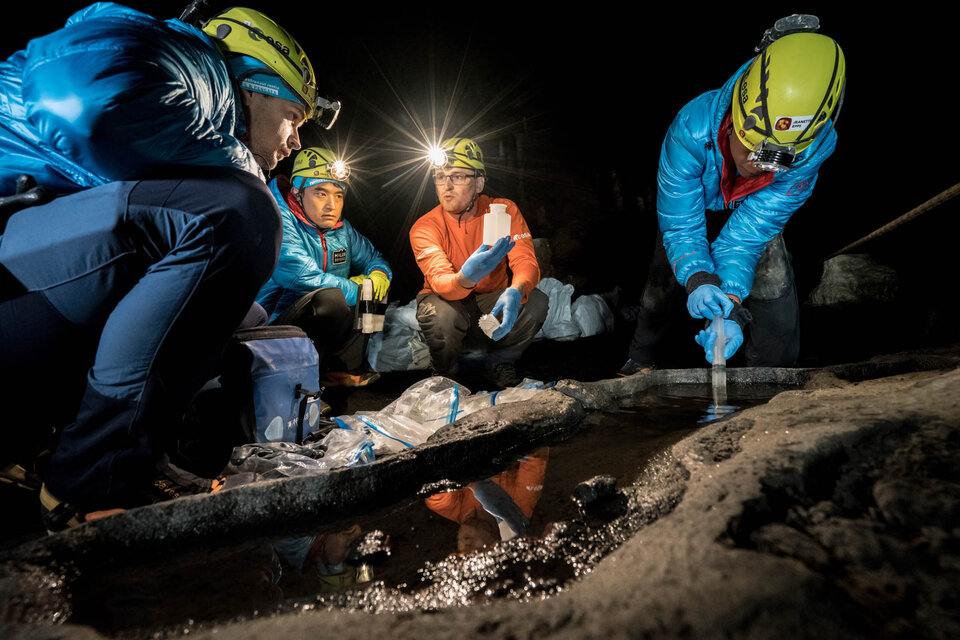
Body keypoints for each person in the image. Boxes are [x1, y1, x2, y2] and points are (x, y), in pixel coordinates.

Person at [0, 5, 336, 529]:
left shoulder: (190, 122)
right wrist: (242, 163)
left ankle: (55, 445)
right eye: (293, 117)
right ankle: (92, 481)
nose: (295, 142)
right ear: (252, 84)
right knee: (242, 215)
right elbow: (82, 101)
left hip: (27, 269)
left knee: (239, 313)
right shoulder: (198, 64)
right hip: (14, 269)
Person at [620, 19, 845, 375]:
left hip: (750, 212)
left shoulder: (808, 155)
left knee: (774, 279)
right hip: (696, 208)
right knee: (663, 281)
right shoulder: (691, 129)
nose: (760, 165)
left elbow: (745, 238)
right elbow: (680, 226)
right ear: (735, 121)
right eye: (755, 147)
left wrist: (733, 307)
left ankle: (774, 376)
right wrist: (699, 278)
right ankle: (641, 360)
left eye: (779, 158)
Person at [409, 137, 548, 388]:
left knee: (536, 301)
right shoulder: (425, 227)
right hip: (448, 300)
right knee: (440, 316)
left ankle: (500, 363)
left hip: (490, 299)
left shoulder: (503, 211)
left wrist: (517, 290)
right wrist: (466, 277)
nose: (447, 185)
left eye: (458, 176)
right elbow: (440, 282)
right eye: (440, 176)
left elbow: (525, 260)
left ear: (479, 182)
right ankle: (444, 374)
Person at [256, 147, 392, 386]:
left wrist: (379, 275)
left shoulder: (342, 230)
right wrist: (358, 288)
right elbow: (302, 277)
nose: (331, 205)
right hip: (274, 325)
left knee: (376, 288)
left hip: (317, 326)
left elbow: (375, 260)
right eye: (320, 194)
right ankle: (304, 383)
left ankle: (342, 370)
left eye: (338, 195)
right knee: (330, 299)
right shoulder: (278, 220)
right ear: (298, 193)